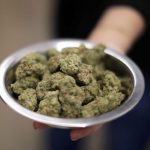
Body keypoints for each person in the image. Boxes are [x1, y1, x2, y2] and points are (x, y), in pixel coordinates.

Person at [33, 0, 150, 149]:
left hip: (141, 57)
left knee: (128, 135)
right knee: (60, 130)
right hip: (77, 21)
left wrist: (116, 32)